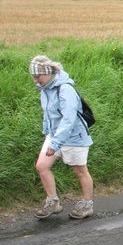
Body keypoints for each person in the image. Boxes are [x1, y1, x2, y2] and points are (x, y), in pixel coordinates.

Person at [29, 55, 95, 219]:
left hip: (74, 137)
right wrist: (48, 134)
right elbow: (48, 114)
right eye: (34, 77)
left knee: (79, 170)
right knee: (42, 166)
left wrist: (56, 143)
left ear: (48, 72)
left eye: (38, 76)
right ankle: (53, 202)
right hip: (54, 136)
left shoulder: (65, 90)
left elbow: (69, 119)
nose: (36, 80)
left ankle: (87, 205)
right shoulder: (45, 90)